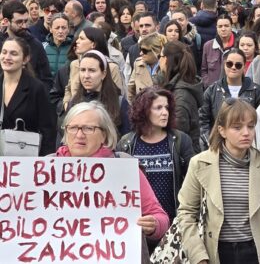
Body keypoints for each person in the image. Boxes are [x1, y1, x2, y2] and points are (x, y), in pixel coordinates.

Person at [56, 101, 169, 253]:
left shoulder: (123, 167)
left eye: (89, 128)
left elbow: (160, 218)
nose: (79, 134)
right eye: (73, 128)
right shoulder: (46, 169)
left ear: (104, 134)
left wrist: (153, 225)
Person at [177, 98, 260, 263]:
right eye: (237, 127)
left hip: (256, 251)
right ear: (222, 131)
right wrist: (198, 256)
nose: (246, 132)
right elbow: (186, 212)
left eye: (251, 126)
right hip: (215, 251)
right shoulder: (200, 163)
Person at [117, 86, 195, 220]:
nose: (165, 112)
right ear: (144, 111)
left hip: (174, 221)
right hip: (138, 223)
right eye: (158, 108)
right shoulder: (126, 144)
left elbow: (193, 182)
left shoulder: (180, 141)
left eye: (167, 108)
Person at [199, 48, 260, 150]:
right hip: (219, 147)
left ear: (244, 67)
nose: (233, 67)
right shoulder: (212, 90)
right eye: (229, 64)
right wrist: (211, 142)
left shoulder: (257, 91)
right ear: (224, 65)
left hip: (249, 147)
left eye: (238, 65)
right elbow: (203, 120)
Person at [0, 37, 56, 155]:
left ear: (25, 59)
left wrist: (43, 162)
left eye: (13, 54)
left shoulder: (36, 88)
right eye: (4, 52)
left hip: (25, 159)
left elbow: (48, 129)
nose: (7, 57)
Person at [67, 50, 127, 134]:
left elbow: (126, 137)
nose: (86, 76)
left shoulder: (119, 102)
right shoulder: (74, 102)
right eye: (83, 70)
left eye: (92, 70)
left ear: (103, 74)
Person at [63, 27, 124, 109]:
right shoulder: (74, 64)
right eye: (83, 70)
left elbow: (117, 95)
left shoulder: (111, 67)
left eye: (81, 39)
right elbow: (69, 88)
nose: (77, 41)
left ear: (93, 44)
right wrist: (67, 103)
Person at [159, 40, 203, 152]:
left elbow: (177, 136)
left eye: (161, 56)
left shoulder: (180, 97)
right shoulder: (174, 87)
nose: (159, 60)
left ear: (167, 60)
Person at [127, 33, 166, 104]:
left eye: (145, 51)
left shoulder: (166, 66)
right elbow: (130, 90)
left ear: (157, 51)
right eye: (140, 49)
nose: (141, 53)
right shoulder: (138, 63)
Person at [201, 14, 236, 86]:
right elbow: (204, 70)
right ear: (216, 28)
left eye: (226, 26)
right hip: (213, 90)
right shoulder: (208, 46)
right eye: (220, 26)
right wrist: (207, 83)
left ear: (231, 27)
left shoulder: (238, 45)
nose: (223, 29)